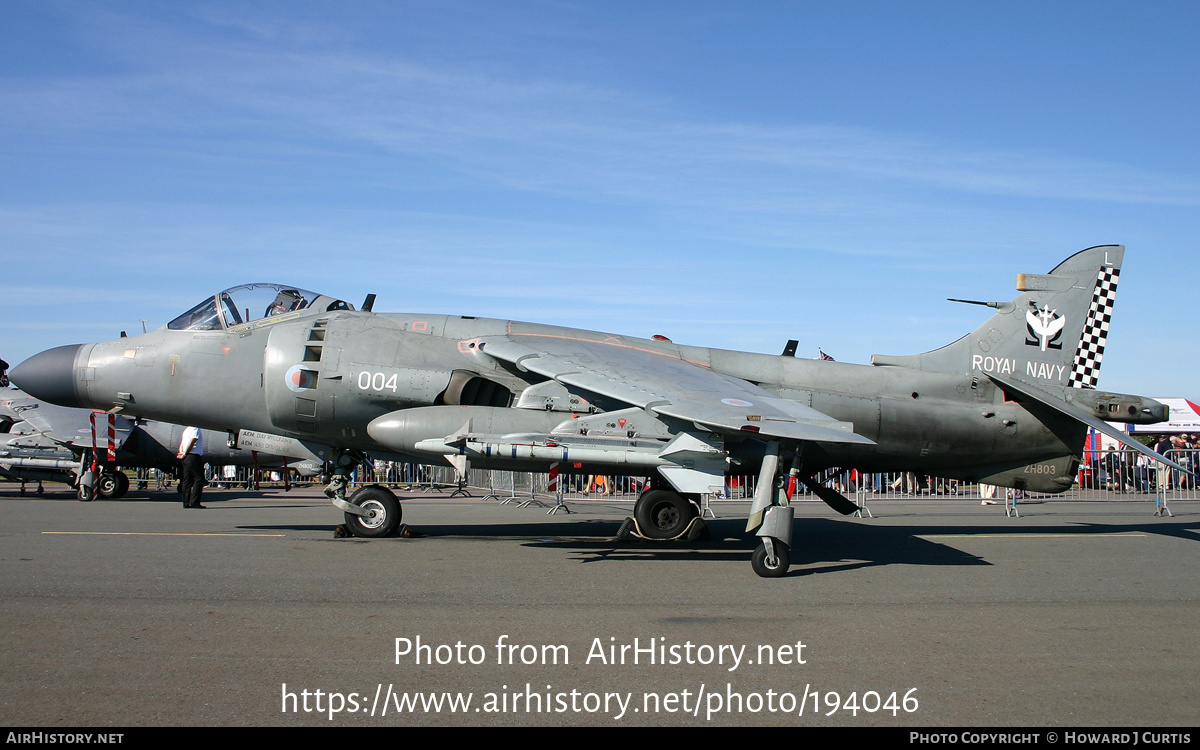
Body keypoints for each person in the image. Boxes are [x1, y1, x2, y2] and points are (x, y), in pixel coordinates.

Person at [176, 426, 206, 509]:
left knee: (187, 479)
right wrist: (185, 452)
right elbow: (193, 440)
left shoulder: (186, 430)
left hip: (186, 457)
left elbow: (182, 443)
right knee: (199, 478)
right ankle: (195, 502)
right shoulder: (195, 429)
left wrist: (181, 452)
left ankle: (185, 502)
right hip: (193, 456)